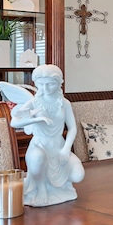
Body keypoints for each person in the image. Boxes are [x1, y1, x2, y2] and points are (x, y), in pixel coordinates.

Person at [8, 65, 84, 206]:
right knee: (37, 159)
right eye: (41, 84)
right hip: (39, 144)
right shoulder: (34, 102)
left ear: (59, 83)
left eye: (50, 84)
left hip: (59, 145)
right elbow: (14, 122)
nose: (45, 88)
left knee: (78, 175)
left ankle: (61, 189)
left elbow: (73, 128)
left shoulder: (64, 103)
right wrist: (35, 119)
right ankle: (41, 188)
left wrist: (66, 149)